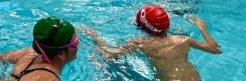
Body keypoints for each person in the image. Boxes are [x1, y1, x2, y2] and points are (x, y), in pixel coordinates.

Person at [84, 5, 221, 81]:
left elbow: (111, 55)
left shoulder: (141, 43)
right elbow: (215, 49)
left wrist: (94, 36)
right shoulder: (183, 39)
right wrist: (201, 28)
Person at [0, 17, 79, 80]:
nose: (78, 45)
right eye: (76, 42)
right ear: (61, 54)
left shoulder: (31, 53)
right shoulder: (49, 78)